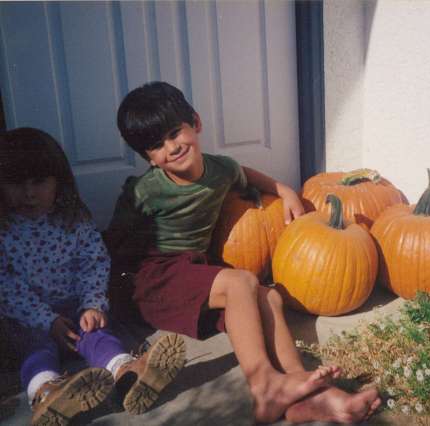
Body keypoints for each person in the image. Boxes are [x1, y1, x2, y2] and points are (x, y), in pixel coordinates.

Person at [104, 81, 381, 423]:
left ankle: (305, 393)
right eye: (157, 146)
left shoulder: (220, 169)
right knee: (240, 283)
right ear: (148, 157)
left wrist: (286, 192)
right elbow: (115, 243)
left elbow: (246, 175)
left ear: (196, 123)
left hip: (191, 270)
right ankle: (264, 387)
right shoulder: (145, 191)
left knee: (269, 297)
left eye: (175, 133)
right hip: (153, 278)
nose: (172, 147)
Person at [0, 128, 186, 425]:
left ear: (58, 182)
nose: (29, 193)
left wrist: (92, 304)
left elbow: (94, 262)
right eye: (16, 184)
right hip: (29, 317)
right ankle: (47, 395)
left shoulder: (73, 221)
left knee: (98, 334)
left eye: (39, 182)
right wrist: (46, 320)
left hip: (76, 308)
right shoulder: (5, 229)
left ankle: (127, 373)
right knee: (35, 347)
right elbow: (6, 288)